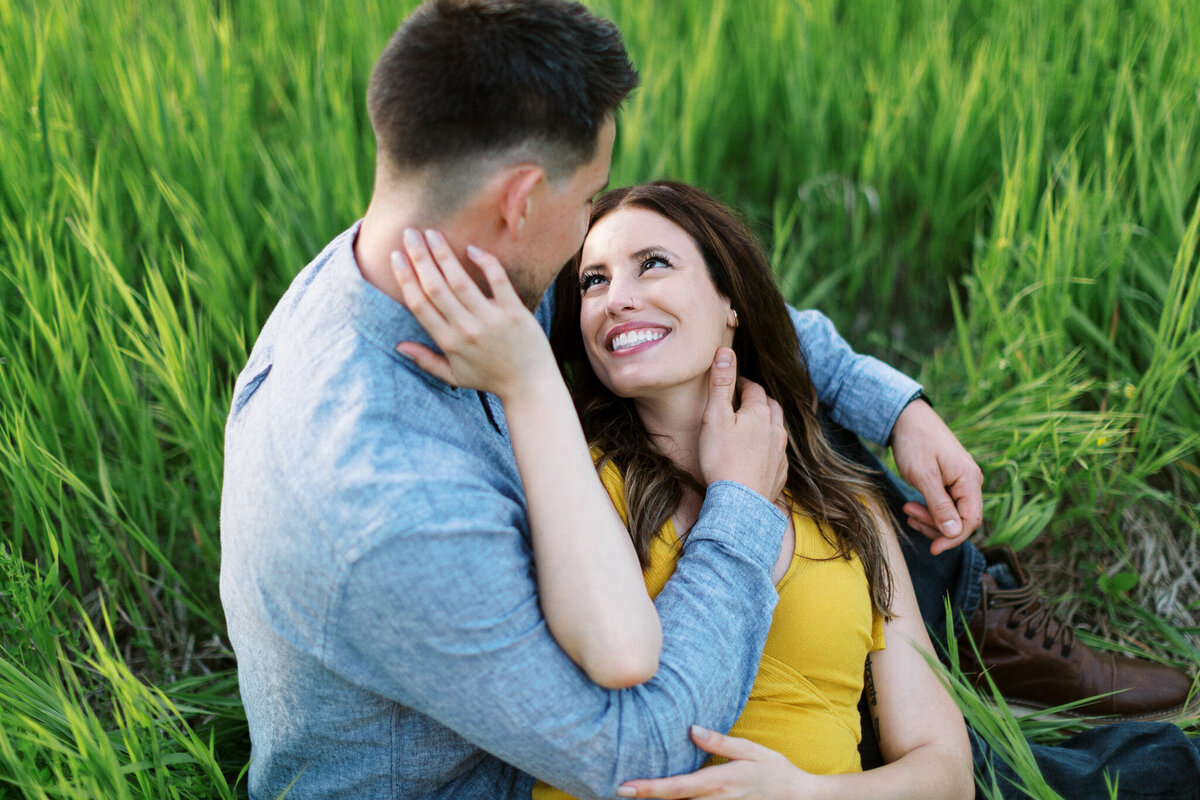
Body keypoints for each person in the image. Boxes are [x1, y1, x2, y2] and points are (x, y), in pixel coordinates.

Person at [220, 1, 1196, 798]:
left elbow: (702, 313)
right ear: (520, 201)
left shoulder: (429, 260)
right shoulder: (394, 507)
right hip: (527, 767)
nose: (592, 254)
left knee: (800, 445)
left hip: (631, 668)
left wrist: (894, 404)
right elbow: (638, 755)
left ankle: (962, 613)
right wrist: (738, 504)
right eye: (587, 200)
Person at [395, 180, 1200, 799]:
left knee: (1161, 764)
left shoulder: (847, 509)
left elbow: (943, 769)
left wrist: (808, 792)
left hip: (831, 783)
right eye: (594, 281)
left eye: (654, 265)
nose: (618, 298)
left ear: (735, 305)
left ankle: (982, 622)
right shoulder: (572, 480)